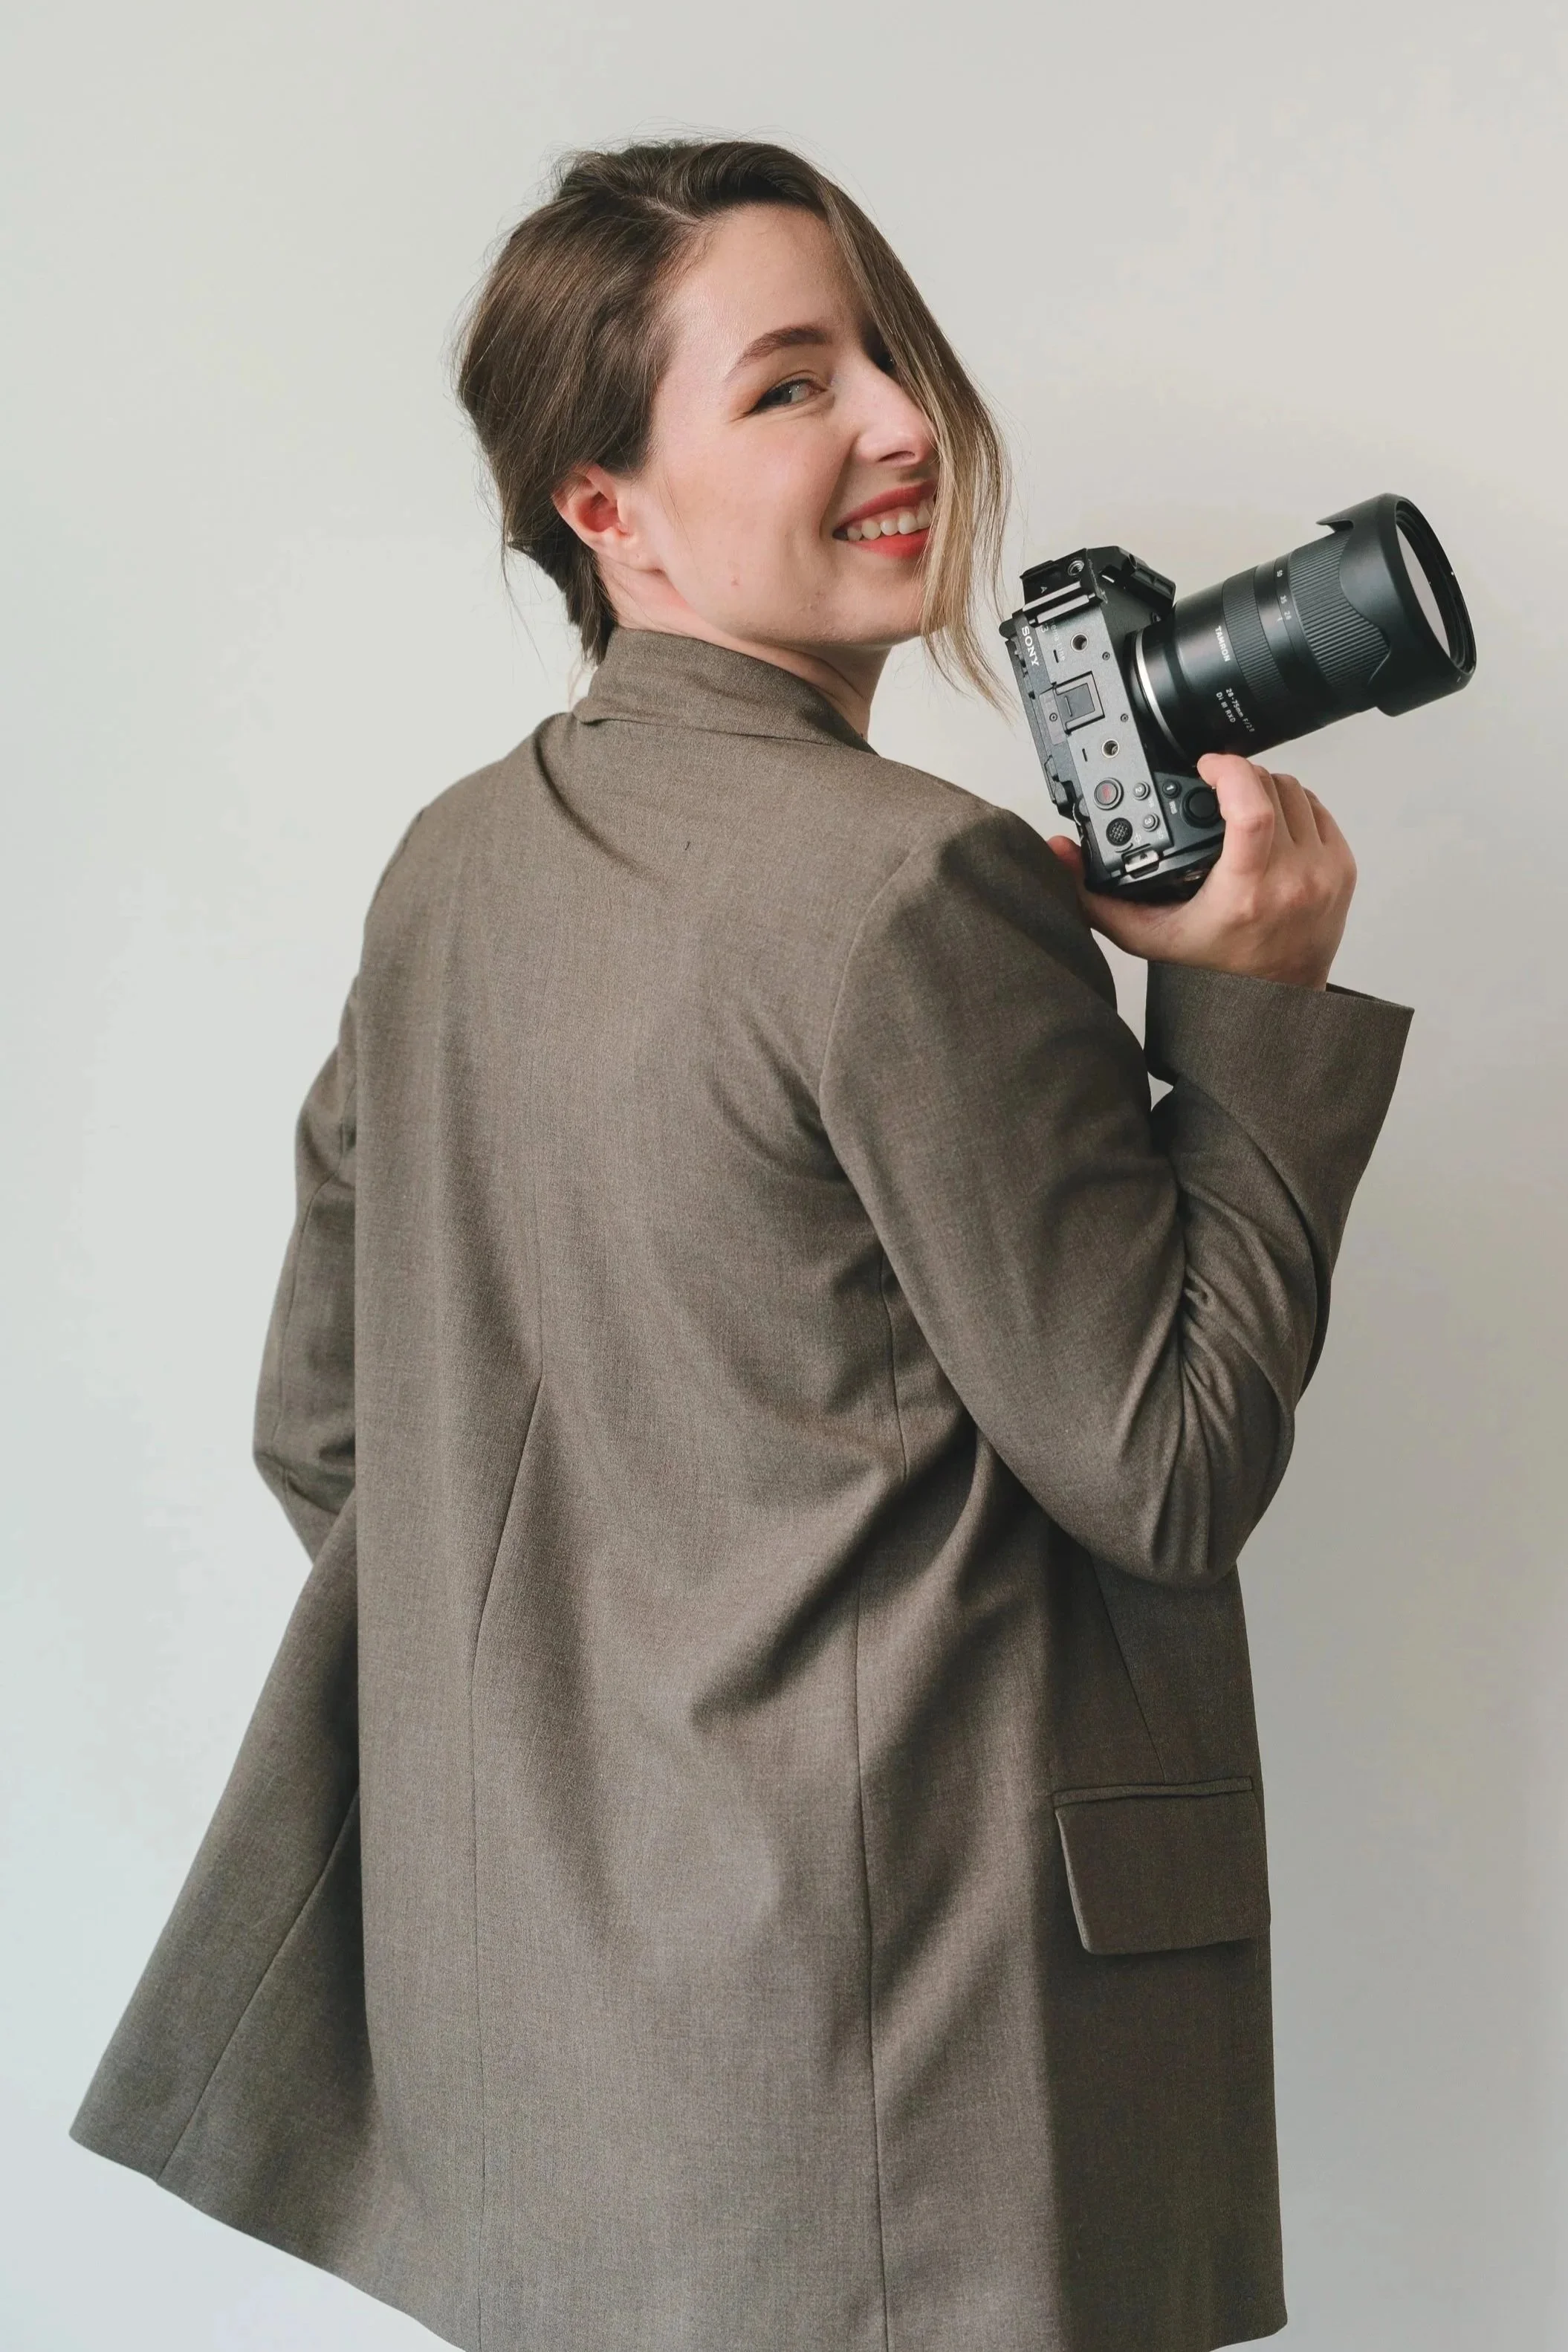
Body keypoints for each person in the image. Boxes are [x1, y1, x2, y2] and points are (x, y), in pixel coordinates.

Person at [71, 139, 1411, 2352]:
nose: (899, 421)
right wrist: (1248, 1016)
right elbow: (1163, 1464)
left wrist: (635, 1730)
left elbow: (325, 1428)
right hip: (903, 2091)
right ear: (610, 508)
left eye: (885, 353)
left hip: (554, 2105)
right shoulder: (911, 887)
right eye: (791, 385)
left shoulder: (452, 870)